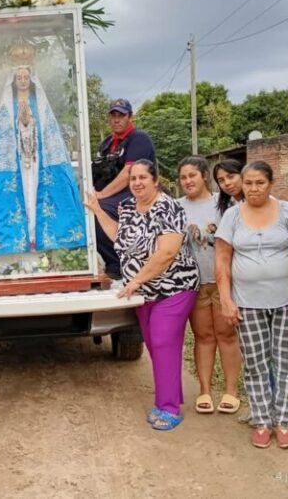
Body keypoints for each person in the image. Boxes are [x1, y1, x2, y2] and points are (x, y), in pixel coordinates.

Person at [85, 159, 199, 430]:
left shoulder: (169, 207)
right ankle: (168, 397)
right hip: (143, 293)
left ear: (155, 180)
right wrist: (98, 211)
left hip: (174, 288)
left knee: (161, 341)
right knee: (154, 344)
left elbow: (167, 253)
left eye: (142, 178)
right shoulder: (128, 209)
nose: (137, 183)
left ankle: (169, 407)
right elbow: (119, 237)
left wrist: (135, 280)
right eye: (133, 178)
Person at [215, 161, 288, 449]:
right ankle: (262, 420)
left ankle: (284, 421)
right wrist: (226, 300)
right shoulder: (232, 216)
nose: (254, 189)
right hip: (247, 304)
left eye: (260, 183)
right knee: (255, 363)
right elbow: (222, 260)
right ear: (242, 183)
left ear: (271, 183)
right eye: (249, 183)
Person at [0, 63, 86, 263]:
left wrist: (29, 121)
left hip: (37, 161)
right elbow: (5, 134)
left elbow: (45, 131)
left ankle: (39, 239)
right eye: (20, 78)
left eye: (26, 77)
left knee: (38, 193)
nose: (23, 81)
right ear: (14, 81)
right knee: (20, 195)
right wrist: (21, 122)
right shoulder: (8, 104)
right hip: (16, 163)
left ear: (32, 80)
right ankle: (21, 242)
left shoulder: (38, 102)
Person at [177, 156, 241, 415]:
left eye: (192, 175)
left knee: (227, 335)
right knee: (203, 337)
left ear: (204, 175)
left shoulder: (224, 203)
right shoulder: (175, 207)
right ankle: (204, 391)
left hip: (225, 283)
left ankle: (231, 391)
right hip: (195, 283)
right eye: (183, 177)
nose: (187, 181)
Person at [92, 98, 156, 279]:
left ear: (130, 116)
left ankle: (118, 263)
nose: (117, 119)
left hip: (134, 192)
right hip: (109, 193)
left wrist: (101, 196)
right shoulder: (106, 143)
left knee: (99, 211)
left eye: (121, 115)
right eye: (113, 115)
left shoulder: (139, 139)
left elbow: (129, 173)